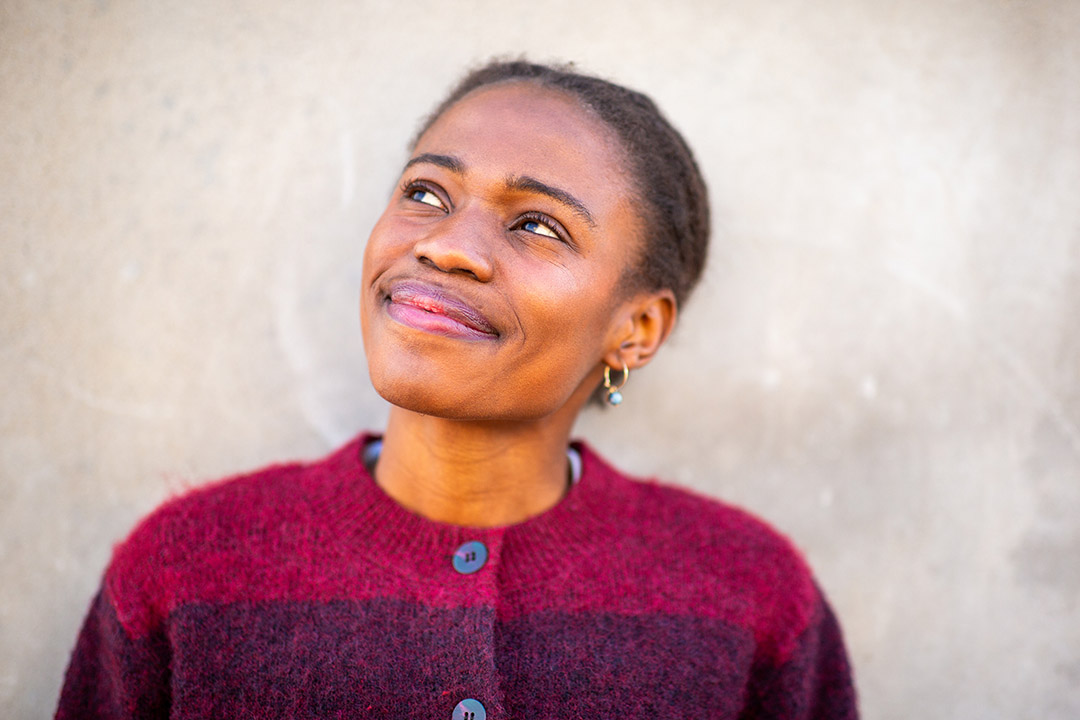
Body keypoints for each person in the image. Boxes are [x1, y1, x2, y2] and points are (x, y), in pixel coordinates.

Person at [56, 60, 858, 719]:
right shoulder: (188, 569)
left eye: (538, 224)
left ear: (636, 329)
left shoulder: (749, 595)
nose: (446, 245)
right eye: (426, 193)